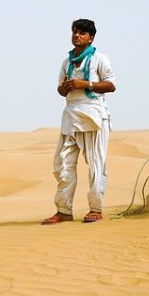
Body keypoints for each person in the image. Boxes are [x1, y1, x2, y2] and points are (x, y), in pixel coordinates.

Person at [42, 19, 116, 225]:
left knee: (95, 165)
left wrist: (86, 84)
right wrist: (66, 87)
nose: (77, 35)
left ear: (91, 37)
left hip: (93, 116)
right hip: (71, 116)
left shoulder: (99, 59)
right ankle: (64, 210)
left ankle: (95, 209)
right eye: (75, 31)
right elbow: (59, 89)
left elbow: (111, 85)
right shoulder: (67, 61)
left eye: (82, 33)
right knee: (63, 164)